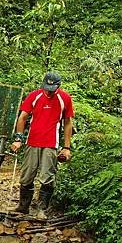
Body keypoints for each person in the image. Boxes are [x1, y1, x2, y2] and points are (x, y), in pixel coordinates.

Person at [10, 71, 74, 218]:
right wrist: (18, 139)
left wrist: (66, 147)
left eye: (52, 89)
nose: (49, 92)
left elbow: (68, 123)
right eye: (46, 88)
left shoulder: (65, 98)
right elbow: (22, 118)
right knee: (27, 175)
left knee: (47, 177)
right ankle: (23, 206)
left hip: (51, 143)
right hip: (32, 141)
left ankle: (41, 209)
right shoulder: (34, 95)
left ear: (59, 86)